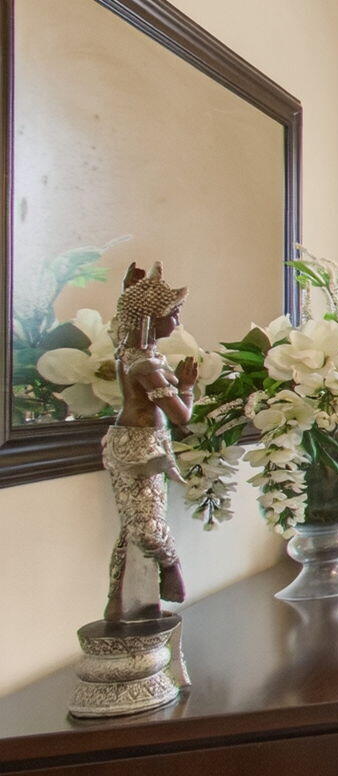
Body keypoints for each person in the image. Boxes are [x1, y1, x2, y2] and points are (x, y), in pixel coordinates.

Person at [103, 263, 198, 619]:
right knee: (143, 526)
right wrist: (186, 387)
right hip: (140, 448)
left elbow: (121, 321)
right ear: (151, 318)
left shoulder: (134, 351)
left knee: (133, 526)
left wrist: (126, 289)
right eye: (174, 314)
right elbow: (182, 417)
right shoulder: (143, 364)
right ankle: (170, 566)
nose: (178, 321)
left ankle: (117, 601)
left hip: (137, 444)